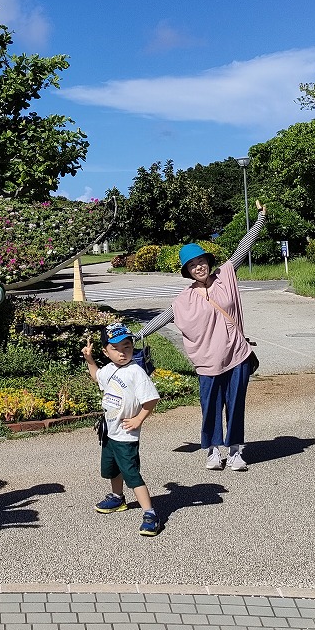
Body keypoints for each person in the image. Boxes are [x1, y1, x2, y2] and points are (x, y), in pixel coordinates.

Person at [140, 201, 266, 472]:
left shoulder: (225, 277)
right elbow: (165, 316)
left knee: (235, 405)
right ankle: (211, 451)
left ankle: (234, 451)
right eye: (193, 265)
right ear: (187, 271)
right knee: (210, 407)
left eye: (202, 262)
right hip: (207, 362)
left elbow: (243, 248)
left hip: (236, 356)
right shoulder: (184, 299)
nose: (199, 267)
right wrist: (139, 333)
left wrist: (260, 220)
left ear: (209, 262)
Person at [82, 322, 162, 536]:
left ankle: (150, 513)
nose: (122, 352)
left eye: (127, 347)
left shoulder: (136, 372)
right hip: (109, 431)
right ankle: (117, 498)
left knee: (132, 473)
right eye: (115, 348)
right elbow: (96, 376)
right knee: (112, 468)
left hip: (126, 434)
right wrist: (89, 360)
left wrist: (139, 419)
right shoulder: (109, 369)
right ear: (105, 351)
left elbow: (151, 400)